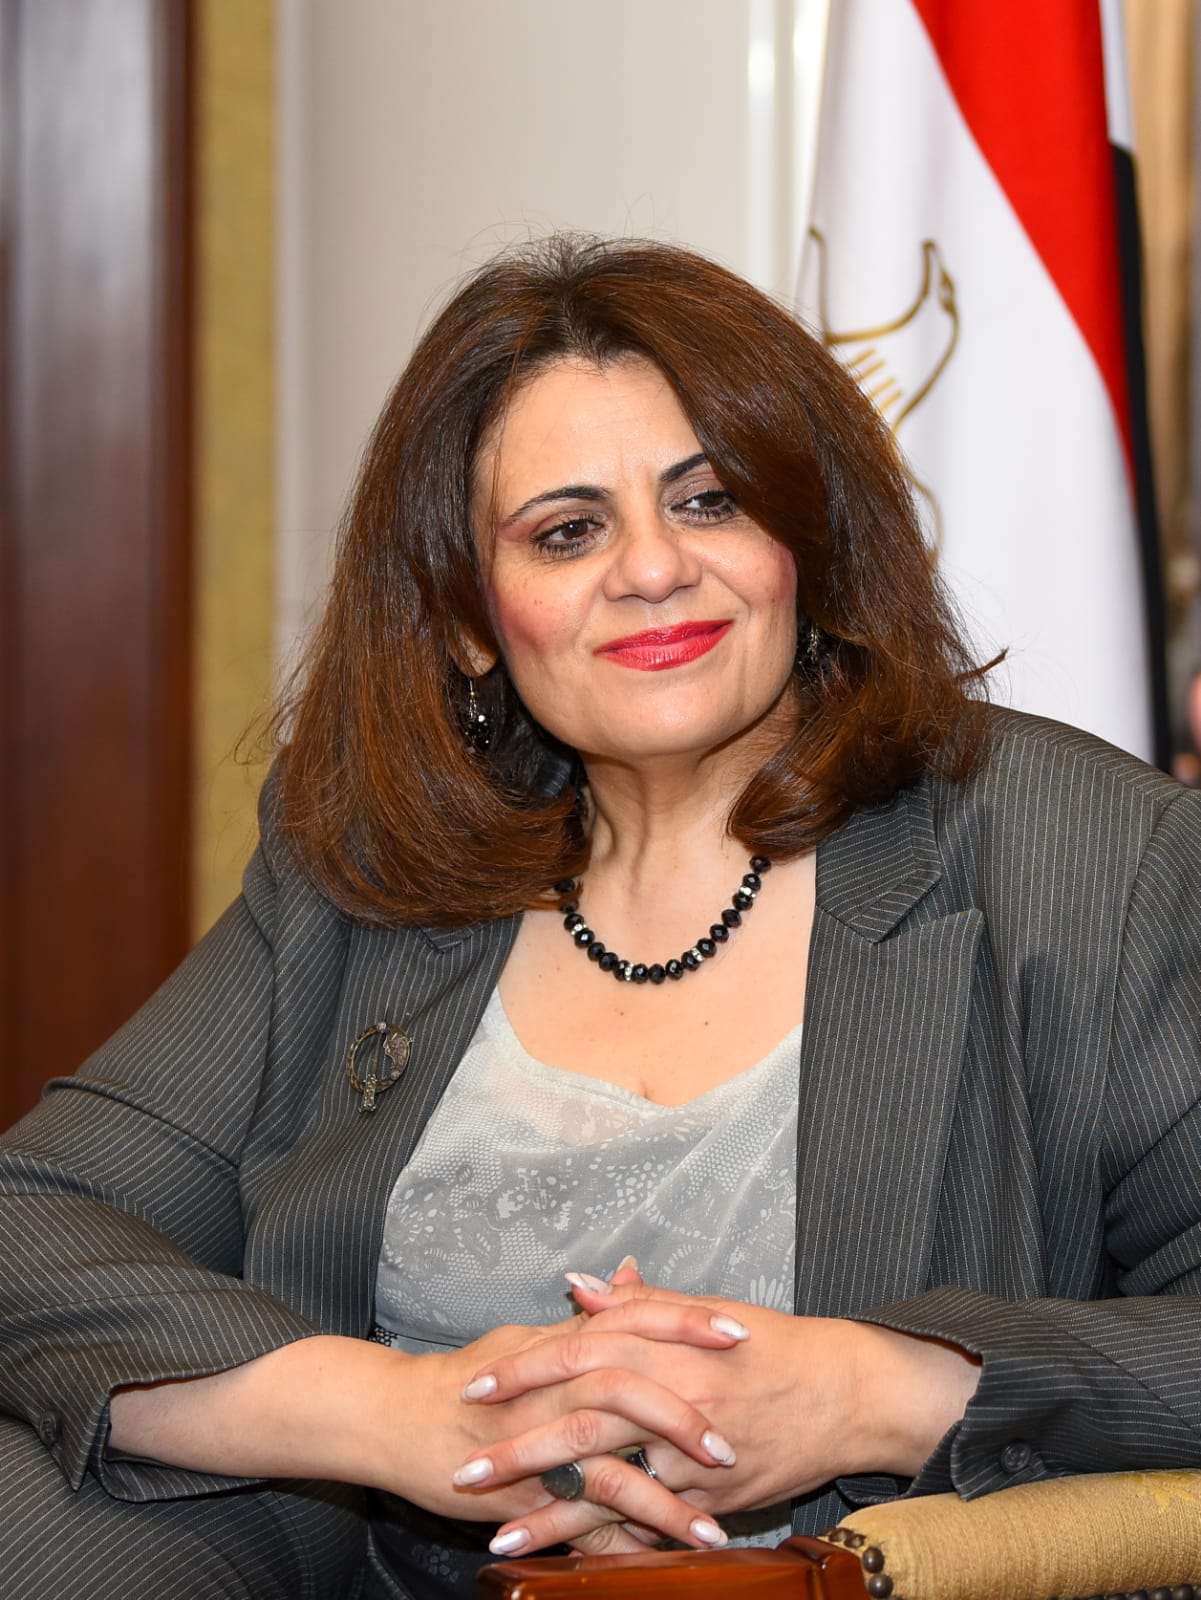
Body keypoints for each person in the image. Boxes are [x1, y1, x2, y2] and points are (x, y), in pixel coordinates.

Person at [2, 234, 1199, 1600]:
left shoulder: (1082, 856)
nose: (652, 569)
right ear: (469, 619)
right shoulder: (370, 863)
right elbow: (35, 1216)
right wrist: (395, 1415)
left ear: (805, 544)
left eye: (709, 501)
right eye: (566, 531)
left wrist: (878, 1389)